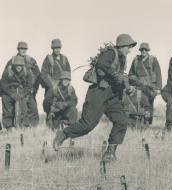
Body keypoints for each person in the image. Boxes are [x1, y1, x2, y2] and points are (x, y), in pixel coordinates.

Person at [52, 34, 137, 162]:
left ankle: (110, 153)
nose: (129, 50)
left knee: (121, 121)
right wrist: (115, 76)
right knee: (87, 125)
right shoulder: (110, 53)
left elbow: (120, 78)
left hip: (113, 95)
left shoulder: (122, 58)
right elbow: (101, 66)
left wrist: (129, 87)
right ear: (121, 46)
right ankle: (63, 134)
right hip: (98, 92)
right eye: (128, 47)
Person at [4, 41, 40, 127]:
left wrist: (35, 89)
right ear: (18, 49)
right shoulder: (12, 61)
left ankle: (33, 128)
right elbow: (6, 76)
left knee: (33, 108)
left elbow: (38, 75)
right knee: (15, 109)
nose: (23, 50)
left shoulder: (31, 60)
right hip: (15, 89)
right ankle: (15, 127)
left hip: (28, 89)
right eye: (21, 49)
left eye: (25, 49)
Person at [128, 42, 162, 124]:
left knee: (149, 104)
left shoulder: (153, 60)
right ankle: (135, 122)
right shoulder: (136, 60)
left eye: (145, 49)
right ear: (140, 50)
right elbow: (130, 74)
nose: (143, 51)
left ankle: (148, 123)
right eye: (142, 49)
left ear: (148, 50)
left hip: (149, 87)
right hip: (138, 86)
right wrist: (135, 80)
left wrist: (158, 88)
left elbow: (158, 74)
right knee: (135, 103)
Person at [0, 56, 34, 130]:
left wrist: (22, 94)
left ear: (23, 65)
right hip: (9, 92)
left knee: (24, 107)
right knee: (7, 105)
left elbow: (29, 85)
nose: (18, 67)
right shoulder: (7, 72)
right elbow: (3, 85)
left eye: (20, 65)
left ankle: (24, 125)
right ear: (14, 65)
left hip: (22, 91)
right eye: (17, 65)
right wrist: (12, 94)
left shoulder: (27, 72)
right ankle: (9, 127)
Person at [41, 39, 71, 122]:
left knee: (65, 104)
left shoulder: (64, 59)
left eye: (58, 47)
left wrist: (66, 83)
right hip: (52, 86)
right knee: (49, 104)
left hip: (63, 86)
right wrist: (51, 85)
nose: (57, 49)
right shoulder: (48, 59)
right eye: (55, 48)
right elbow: (44, 74)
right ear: (52, 48)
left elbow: (68, 73)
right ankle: (49, 125)